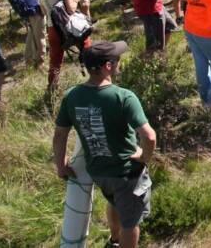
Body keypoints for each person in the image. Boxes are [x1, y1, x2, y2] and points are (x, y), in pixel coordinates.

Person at [53, 40, 156, 248]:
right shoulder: (123, 97)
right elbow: (150, 136)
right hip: (126, 173)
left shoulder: (71, 96)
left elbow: (60, 135)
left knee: (114, 202)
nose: (119, 62)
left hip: (98, 171)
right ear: (107, 66)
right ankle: (122, 240)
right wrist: (145, 157)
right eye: (117, 59)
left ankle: (114, 241)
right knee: (131, 223)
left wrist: (61, 166)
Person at [42, 0, 87, 90]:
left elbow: (43, 10)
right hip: (70, 27)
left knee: (55, 60)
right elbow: (71, 9)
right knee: (87, 48)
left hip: (52, 28)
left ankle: (52, 87)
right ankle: (96, 75)